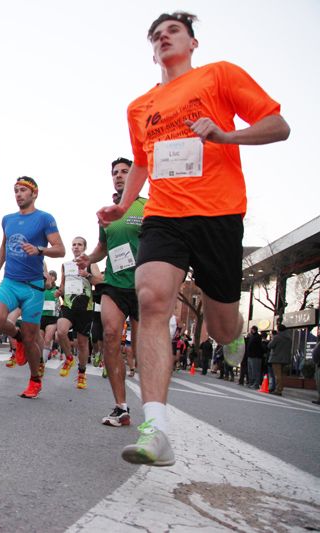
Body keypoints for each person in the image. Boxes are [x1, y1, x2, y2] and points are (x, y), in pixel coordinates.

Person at [96, 11, 290, 466]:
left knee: (221, 328)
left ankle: (233, 336)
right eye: (157, 36)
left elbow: (278, 125)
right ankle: (156, 427)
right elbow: (142, 162)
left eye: (173, 32)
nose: (164, 39)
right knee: (152, 299)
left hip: (219, 212)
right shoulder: (139, 107)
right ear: (152, 50)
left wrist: (225, 135)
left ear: (193, 43)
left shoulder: (218, 75)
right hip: (164, 213)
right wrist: (125, 205)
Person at [77, 156, 145, 426]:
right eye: (115, 172)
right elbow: (102, 248)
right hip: (114, 283)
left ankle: (153, 410)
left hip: (143, 285)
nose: (119, 176)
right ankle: (121, 407)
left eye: (125, 172)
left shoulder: (148, 207)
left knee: (140, 349)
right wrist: (89, 260)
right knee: (110, 334)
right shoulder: (107, 213)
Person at [0, 176, 65, 398]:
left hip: (33, 288)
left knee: (32, 338)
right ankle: (17, 337)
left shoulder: (44, 219)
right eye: (16, 190)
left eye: (23, 190)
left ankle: (35, 379)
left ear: (34, 193)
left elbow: (60, 249)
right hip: (10, 281)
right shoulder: (7, 219)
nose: (19, 194)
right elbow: (4, 246)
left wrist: (40, 249)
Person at [57, 237, 103, 389]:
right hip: (69, 305)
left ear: (84, 247)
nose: (76, 247)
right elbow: (63, 285)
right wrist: (59, 291)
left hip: (85, 308)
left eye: (79, 244)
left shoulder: (91, 263)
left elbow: (100, 281)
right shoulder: (66, 265)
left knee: (83, 343)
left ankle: (82, 373)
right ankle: (69, 358)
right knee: (61, 331)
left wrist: (87, 275)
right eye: (74, 244)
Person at [40, 270, 60, 362]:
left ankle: (43, 361)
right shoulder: (41, 288)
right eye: (49, 275)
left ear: (55, 278)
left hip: (52, 318)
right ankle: (40, 357)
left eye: (53, 276)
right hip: (41, 317)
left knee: (47, 339)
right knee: (40, 340)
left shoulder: (58, 289)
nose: (50, 277)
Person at [266, 324, 290, 396]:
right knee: (281, 375)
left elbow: (270, 345)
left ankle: (278, 389)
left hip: (276, 358)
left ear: (279, 330)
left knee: (277, 375)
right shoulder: (289, 337)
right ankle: (280, 388)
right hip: (285, 358)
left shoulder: (277, 337)